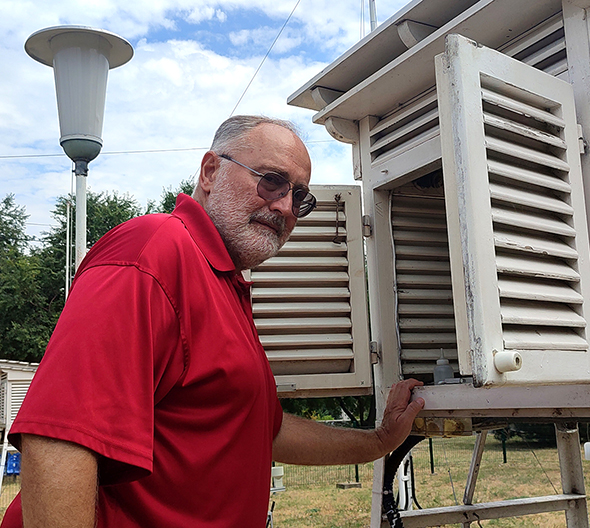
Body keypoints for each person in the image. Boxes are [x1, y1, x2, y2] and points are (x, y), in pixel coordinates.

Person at [1, 115, 425, 527]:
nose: (284, 206)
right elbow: (59, 437)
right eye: (271, 180)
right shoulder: (154, 249)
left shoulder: (223, 282)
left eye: (300, 197)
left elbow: (264, 432)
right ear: (210, 171)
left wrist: (379, 441)